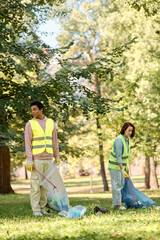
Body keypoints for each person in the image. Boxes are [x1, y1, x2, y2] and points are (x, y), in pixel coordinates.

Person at [25, 100, 60, 216]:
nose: (33, 112)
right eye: (32, 110)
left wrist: (57, 156)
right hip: (37, 159)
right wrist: (29, 160)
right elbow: (28, 144)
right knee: (36, 185)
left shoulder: (51, 122)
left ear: (41, 109)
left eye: (35, 109)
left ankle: (42, 208)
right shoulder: (30, 124)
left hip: (49, 158)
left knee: (45, 186)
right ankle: (36, 210)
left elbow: (55, 141)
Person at [108, 122, 135, 210]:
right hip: (115, 166)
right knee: (117, 186)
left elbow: (125, 156)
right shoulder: (119, 140)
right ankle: (118, 205)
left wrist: (125, 167)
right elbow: (119, 156)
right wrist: (122, 169)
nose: (130, 132)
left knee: (121, 185)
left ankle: (115, 204)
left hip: (121, 166)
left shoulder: (127, 139)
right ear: (124, 130)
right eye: (129, 130)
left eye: (131, 131)